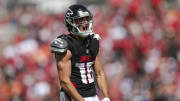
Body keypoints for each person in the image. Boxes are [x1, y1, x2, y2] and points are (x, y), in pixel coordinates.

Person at [50, 4, 110, 101]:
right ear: (70, 22)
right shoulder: (66, 45)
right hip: (72, 96)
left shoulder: (93, 41)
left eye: (86, 19)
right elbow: (64, 81)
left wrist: (106, 96)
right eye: (80, 20)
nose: (84, 23)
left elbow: (99, 73)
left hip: (92, 94)